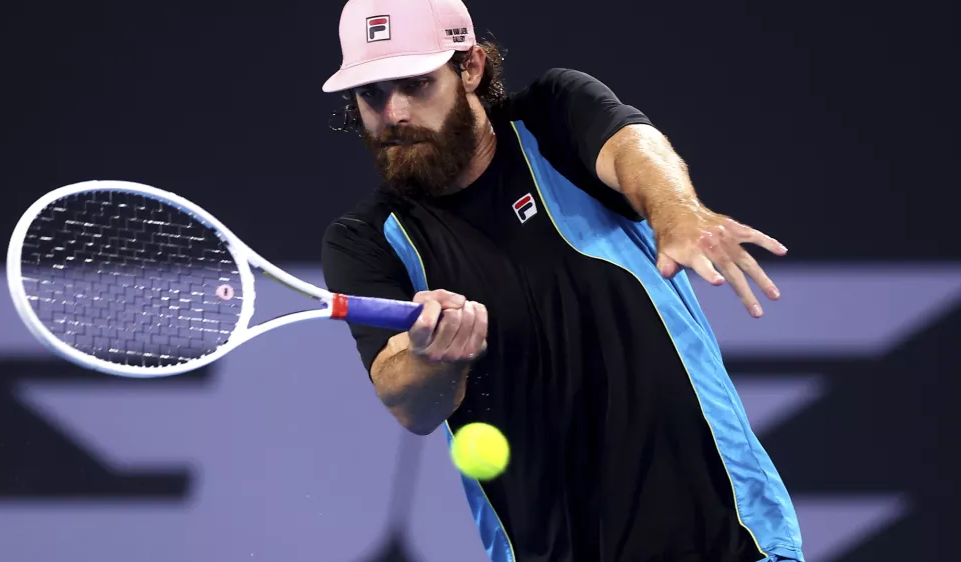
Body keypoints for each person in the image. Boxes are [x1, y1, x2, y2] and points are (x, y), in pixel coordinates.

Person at [320, 0, 805, 560]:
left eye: (416, 84)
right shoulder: (365, 238)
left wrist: (675, 212)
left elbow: (633, 148)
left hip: (723, 536)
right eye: (372, 94)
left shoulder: (553, 119)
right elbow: (411, 405)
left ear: (471, 68)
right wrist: (434, 357)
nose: (394, 112)